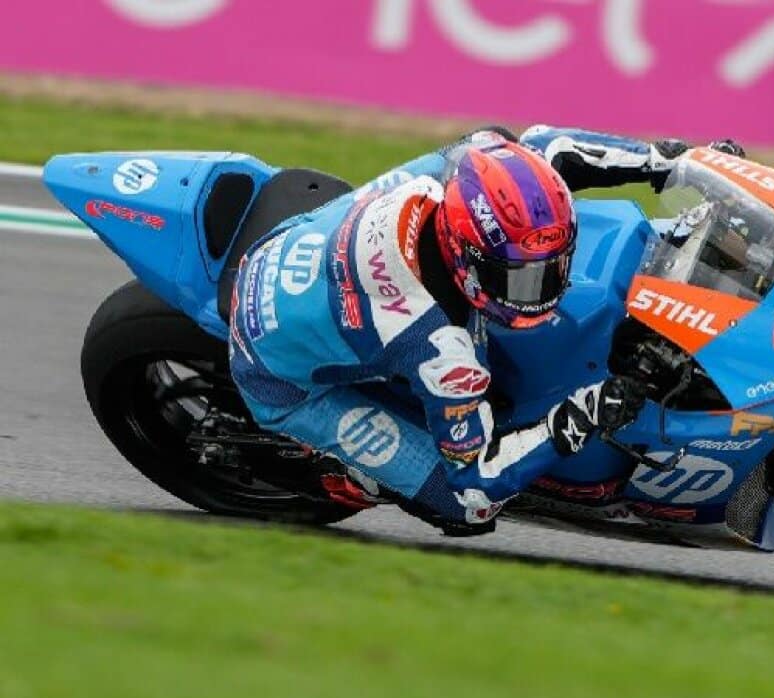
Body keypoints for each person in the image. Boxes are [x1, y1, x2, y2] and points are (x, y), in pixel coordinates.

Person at [228, 125, 743, 534]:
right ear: (464, 256)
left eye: (552, 267)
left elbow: (550, 147)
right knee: (466, 509)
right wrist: (582, 414)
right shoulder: (439, 347)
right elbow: (477, 480)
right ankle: (354, 477)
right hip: (275, 374)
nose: (544, 288)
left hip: (295, 244)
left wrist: (672, 164)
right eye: (521, 277)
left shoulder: (474, 162)